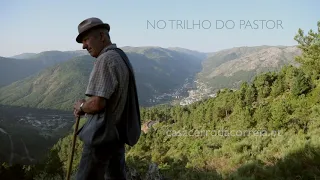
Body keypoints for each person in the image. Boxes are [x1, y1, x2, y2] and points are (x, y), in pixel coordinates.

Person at [73, 17, 141, 180]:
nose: (84, 46)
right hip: (116, 136)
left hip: (101, 137)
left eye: (86, 39)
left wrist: (81, 106)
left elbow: (97, 103)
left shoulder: (106, 59)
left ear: (102, 36)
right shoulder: (120, 56)